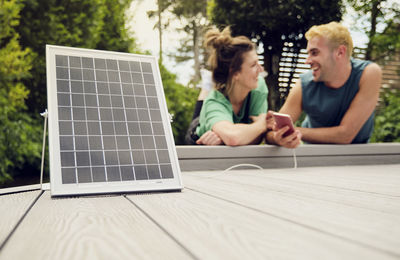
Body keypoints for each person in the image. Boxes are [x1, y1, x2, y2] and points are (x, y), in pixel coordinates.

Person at [266, 21, 382, 145]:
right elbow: (271, 133)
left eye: (314, 53)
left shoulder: (369, 73)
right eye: (308, 54)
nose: (307, 61)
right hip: (315, 155)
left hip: (357, 157)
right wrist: (277, 137)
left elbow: (345, 135)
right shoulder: (303, 85)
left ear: (340, 52)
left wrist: (294, 131)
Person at [193, 27, 300, 146]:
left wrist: (242, 133)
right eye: (254, 65)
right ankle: (206, 85)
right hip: (198, 139)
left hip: (226, 111)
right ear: (235, 73)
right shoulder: (214, 102)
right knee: (202, 106)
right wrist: (262, 124)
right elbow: (234, 138)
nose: (261, 69)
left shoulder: (258, 86)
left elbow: (257, 138)